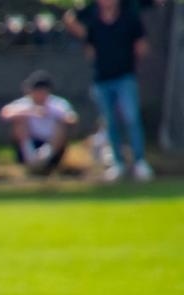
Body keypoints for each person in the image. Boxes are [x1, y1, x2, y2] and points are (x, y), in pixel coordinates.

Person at [65, 0, 152, 182]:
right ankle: (118, 163)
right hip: (102, 79)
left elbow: (141, 46)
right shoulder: (92, 16)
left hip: (125, 76)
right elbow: (73, 25)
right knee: (110, 122)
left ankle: (139, 161)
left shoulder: (129, 16)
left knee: (131, 118)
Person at [0, 71, 76, 176]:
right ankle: (32, 160)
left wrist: (52, 113)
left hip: (52, 147)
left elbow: (72, 119)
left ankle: (43, 159)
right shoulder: (24, 103)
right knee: (19, 123)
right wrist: (32, 112)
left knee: (61, 127)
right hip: (29, 146)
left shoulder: (57, 104)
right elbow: (5, 114)